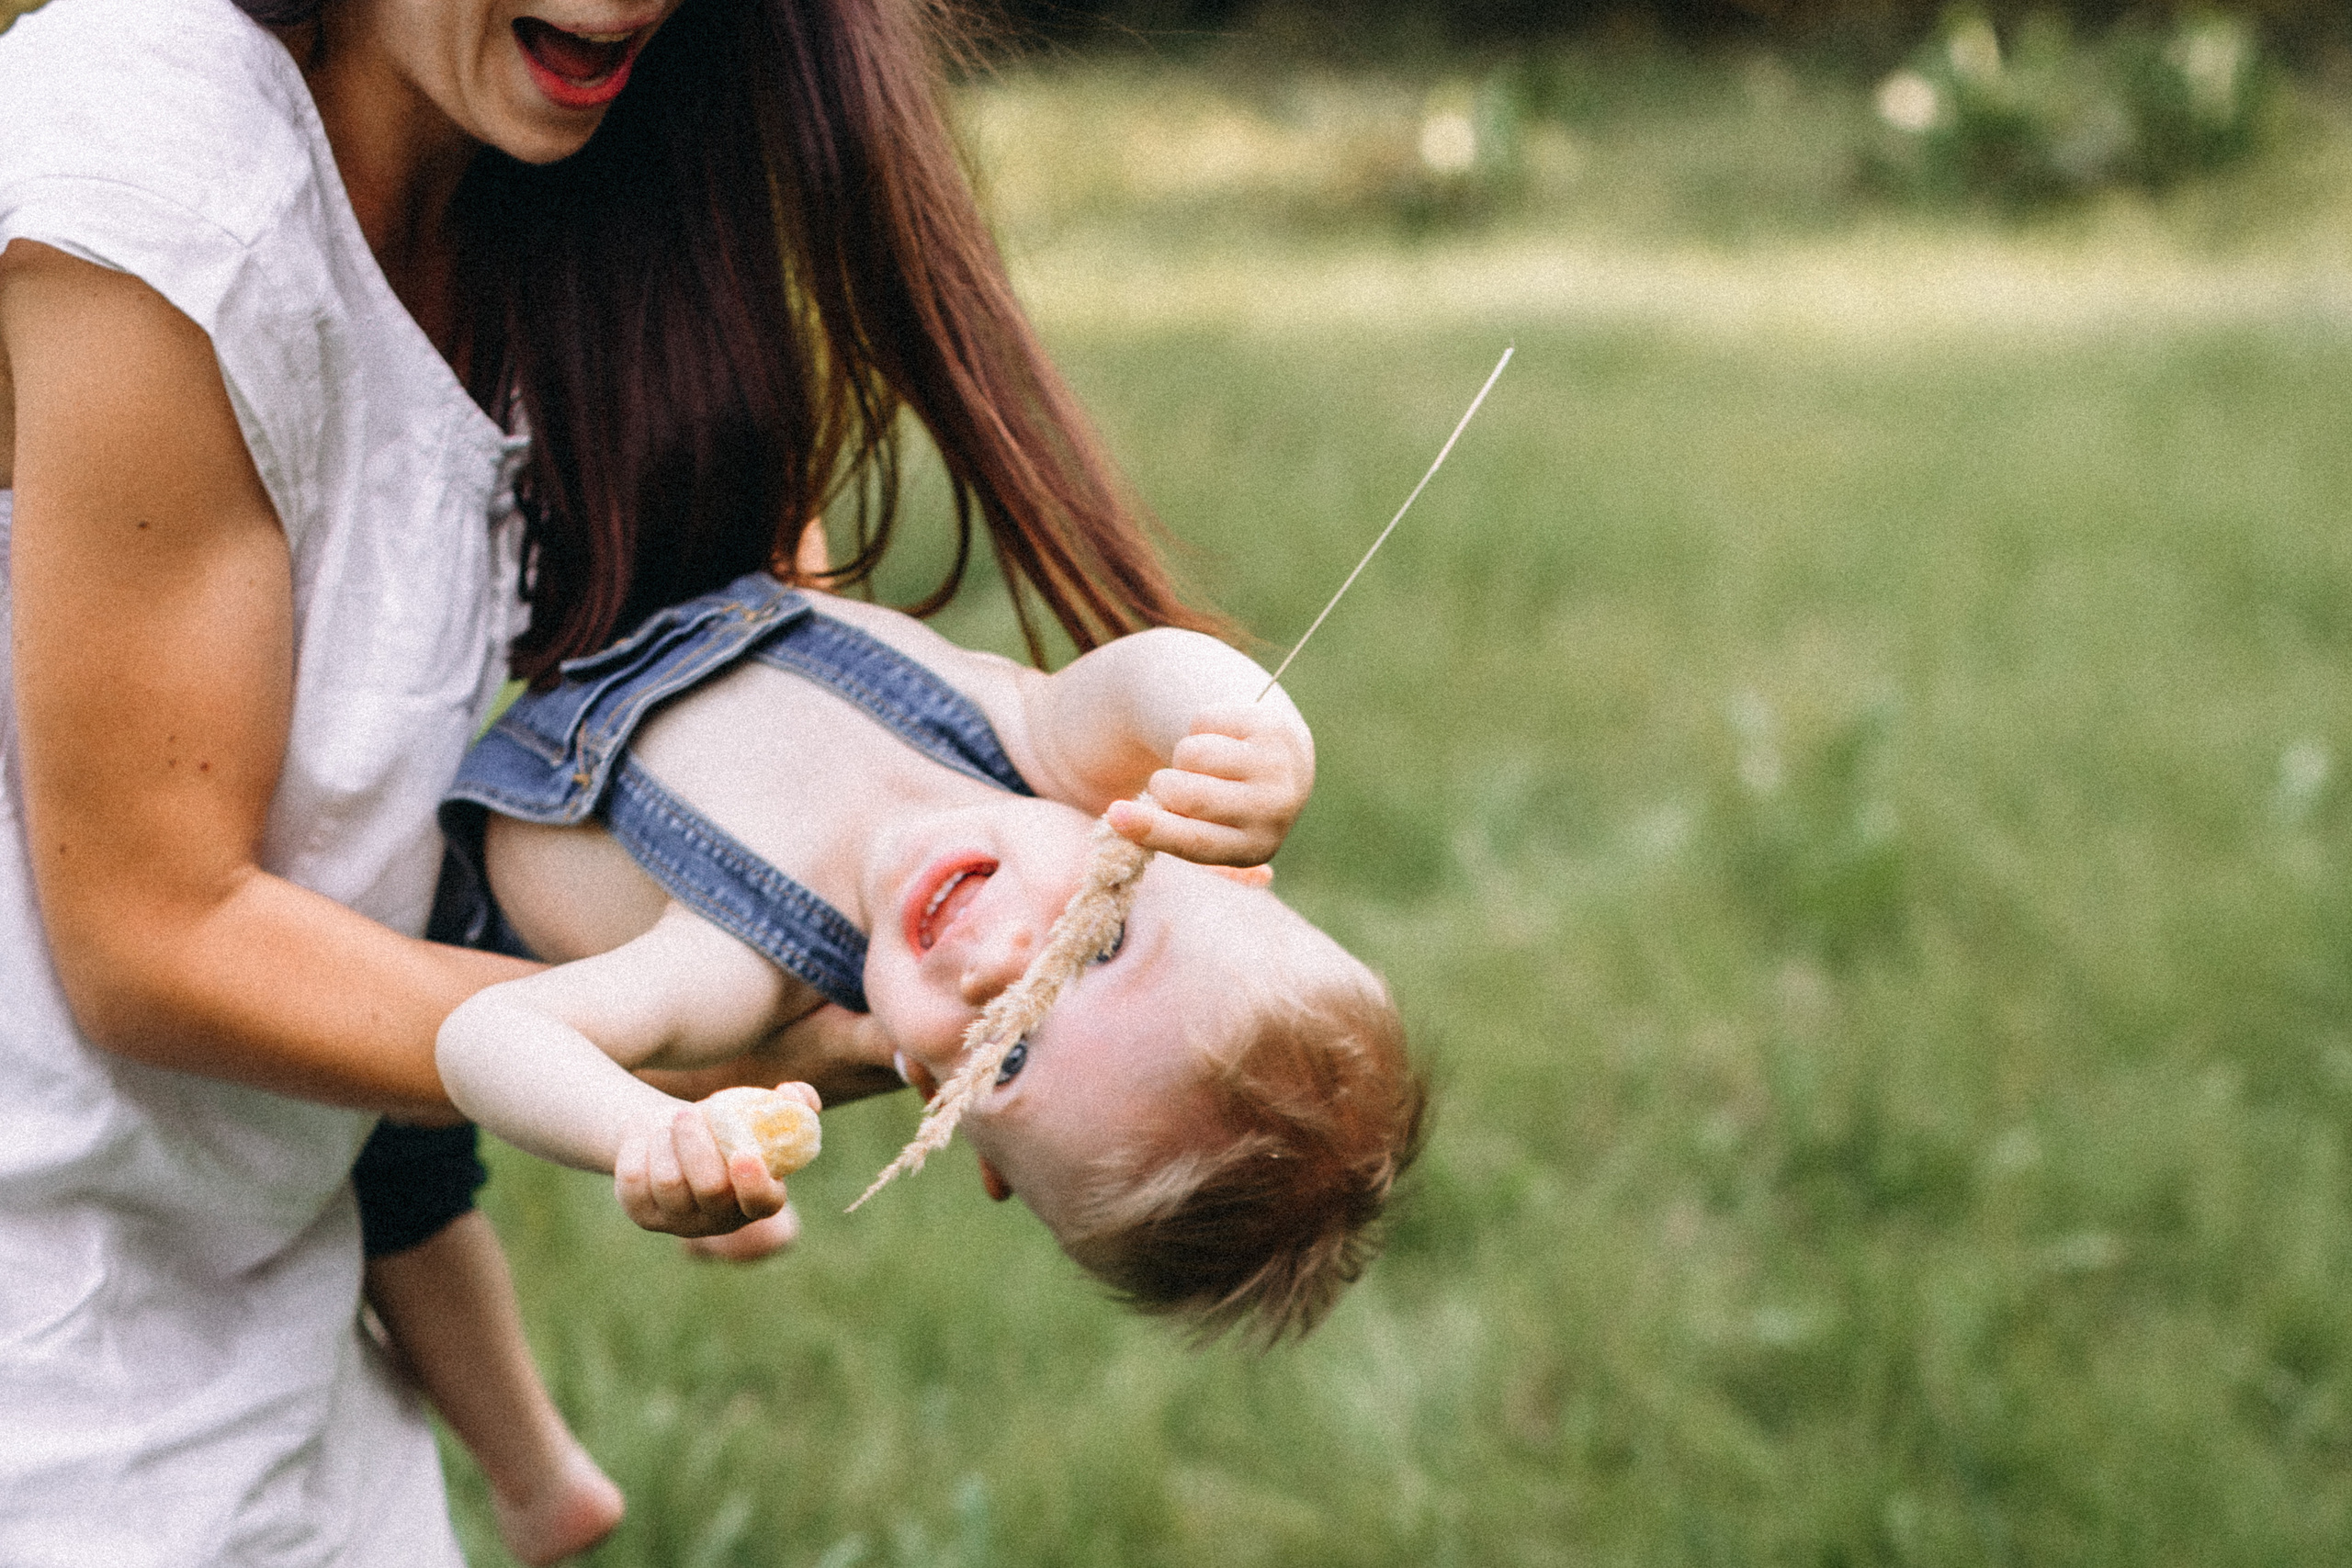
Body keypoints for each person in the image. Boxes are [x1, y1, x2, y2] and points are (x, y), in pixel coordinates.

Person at [0, 0, 1224, 1562]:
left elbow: (754, 663)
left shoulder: (578, 175)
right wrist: (653, 1068)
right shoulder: (161, 169)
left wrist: (1033, 936)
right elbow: (148, 938)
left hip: (277, 1296)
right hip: (52, 1350)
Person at [432, 570, 1428, 1343]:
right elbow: (1161, 670)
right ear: (1200, 861)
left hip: (420, 833)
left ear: (950, 1114)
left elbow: (486, 1034)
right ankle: (740, 1221)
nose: (998, 967)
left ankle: (540, 1478)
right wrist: (1260, 743)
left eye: (1006, 1056)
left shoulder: (740, 962)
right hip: (633, 565)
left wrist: (645, 1131)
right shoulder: (1031, 745)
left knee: (394, 1191)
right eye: (1103, 940)